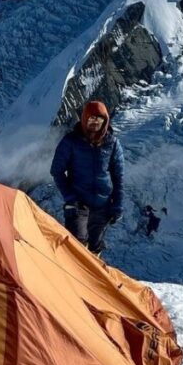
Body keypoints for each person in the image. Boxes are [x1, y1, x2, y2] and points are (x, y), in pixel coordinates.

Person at [50, 100, 125, 255]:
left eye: (99, 119)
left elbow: (118, 176)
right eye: (91, 118)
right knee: (78, 245)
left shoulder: (112, 143)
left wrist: (117, 204)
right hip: (78, 204)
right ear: (84, 118)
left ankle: (89, 278)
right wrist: (71, 197)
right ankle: (72, 277)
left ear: (105, 120)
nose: (95, 122)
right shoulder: (71, 141)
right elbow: (56, 170)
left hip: (103, 206)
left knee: (95, 247)